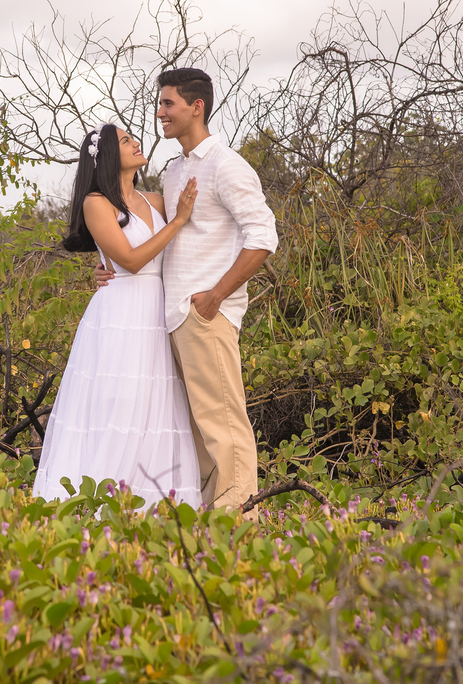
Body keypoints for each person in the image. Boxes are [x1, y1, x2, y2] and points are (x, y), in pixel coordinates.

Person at [95, 68, 278, 518]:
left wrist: (216, 297)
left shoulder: (226, 165)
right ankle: (209, 523)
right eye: (159, 104)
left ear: (196, 107)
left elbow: (263, 237)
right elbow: (142, 228)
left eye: (168, 104)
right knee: (195, 432)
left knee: (224, 425)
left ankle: (241, 525)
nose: (160, 113)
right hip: (171, 317)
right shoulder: (176, 170)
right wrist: (105, 266)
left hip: (204, 314)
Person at [32, 121, 202, 511]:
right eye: (126, 141)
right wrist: (178, 221)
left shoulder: (154, 200)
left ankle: (153, 506)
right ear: (109, 155)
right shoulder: (96, 203)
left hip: (157, 310)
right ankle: (100, 503)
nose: (136, 142)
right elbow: (130, 260)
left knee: (156, 405)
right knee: (121, 403)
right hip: (120, 314)